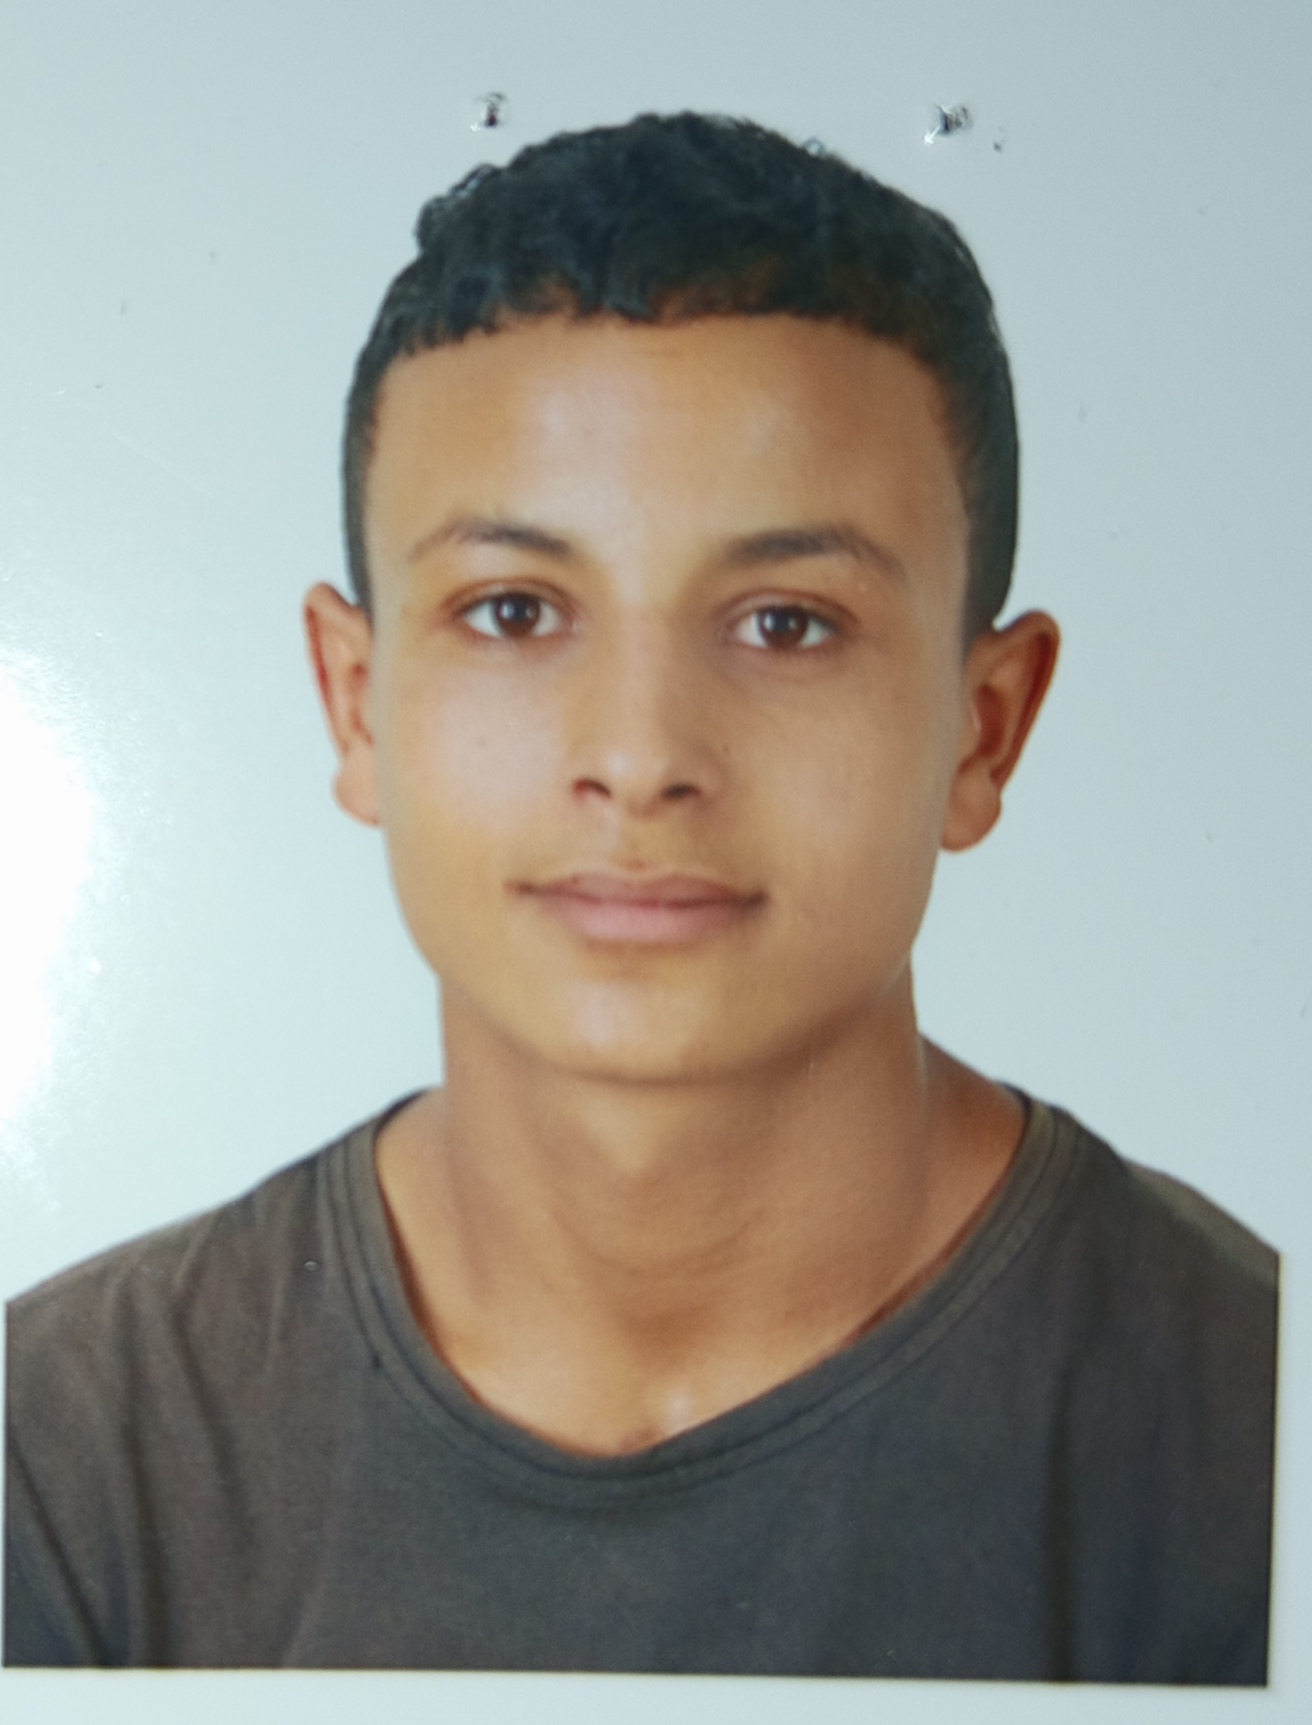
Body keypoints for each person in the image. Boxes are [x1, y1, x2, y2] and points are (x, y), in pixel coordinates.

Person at [4, 111, 1277, 1681]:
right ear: (356, 702)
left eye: (787, 623)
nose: (640, 755)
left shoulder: (1255, 1443)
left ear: (984, 727)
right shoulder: (64, 1460)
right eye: (514, 610)